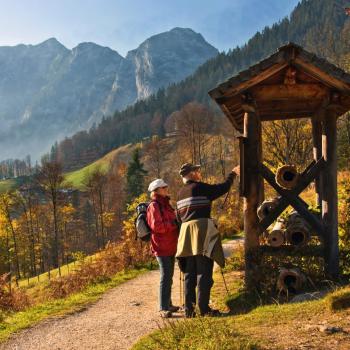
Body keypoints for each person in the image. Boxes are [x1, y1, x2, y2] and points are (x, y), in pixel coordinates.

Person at [176, 163, 240, 317]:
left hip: (185, 233)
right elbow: (223, 188)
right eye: (197, 171)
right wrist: (233, 174)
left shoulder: (179, 194)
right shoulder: (200, 187)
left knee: (189, 273)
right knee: (204, 270)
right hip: (201, 230)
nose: (199, 173)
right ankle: (204, 309)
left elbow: (177, 218)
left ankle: (189, 311)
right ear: (191, 174)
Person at [146, 178, 180, 318]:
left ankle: (168, 304)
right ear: (157, 190)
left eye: (166, 186)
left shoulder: (165, 204)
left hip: (170, 245)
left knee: (169, 276)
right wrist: (174, 224)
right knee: (165, 277)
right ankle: (163, 307)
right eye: (164, 187)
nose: (167, 188)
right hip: (161, 247)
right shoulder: (154, 206)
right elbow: (157, 227)